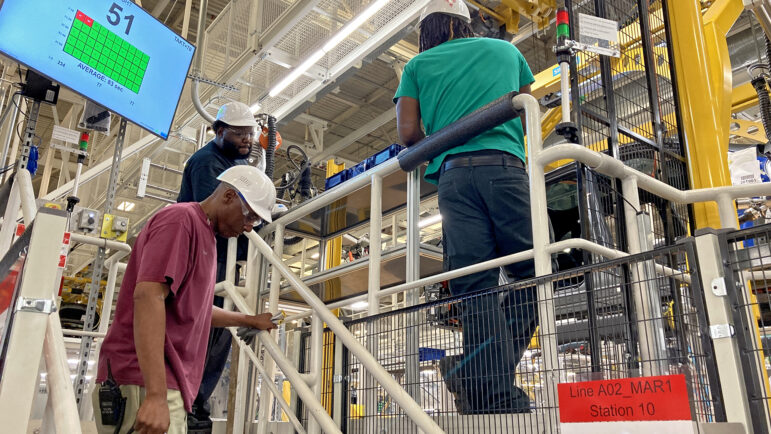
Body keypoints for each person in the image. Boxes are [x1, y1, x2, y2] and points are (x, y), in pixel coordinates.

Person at [394, 0, 538, 414]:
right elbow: (528, 115)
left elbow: (408, 134)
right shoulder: (507, 52)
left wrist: (445, 126)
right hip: (505, 170)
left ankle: (480, 384)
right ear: (466, 21)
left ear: (426, 32)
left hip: (453, 179)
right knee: (534, 274)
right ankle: (479, 381)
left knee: (476, 287)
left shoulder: (417, 67)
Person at [93, 165, 278, 434]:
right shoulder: (180, 221)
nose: (249, 227)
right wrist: (156, 395)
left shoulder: (206, 237)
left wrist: (248, 320)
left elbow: (197, 308)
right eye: (249, 215)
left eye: (256, 222)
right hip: (144, 381)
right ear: (228, 196)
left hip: (162, 384)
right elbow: (148, 296)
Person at [177, 101, 259, 429]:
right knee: (205, 341)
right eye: (239, 134)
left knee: (215, 343)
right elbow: (220, 214)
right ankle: (191, 410)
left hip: (219, 264)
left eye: (250, 135)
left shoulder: (230, 163)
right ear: (219, 131)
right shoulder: (207, 162)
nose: (247, 141)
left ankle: (195, 409)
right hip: (205, 261)